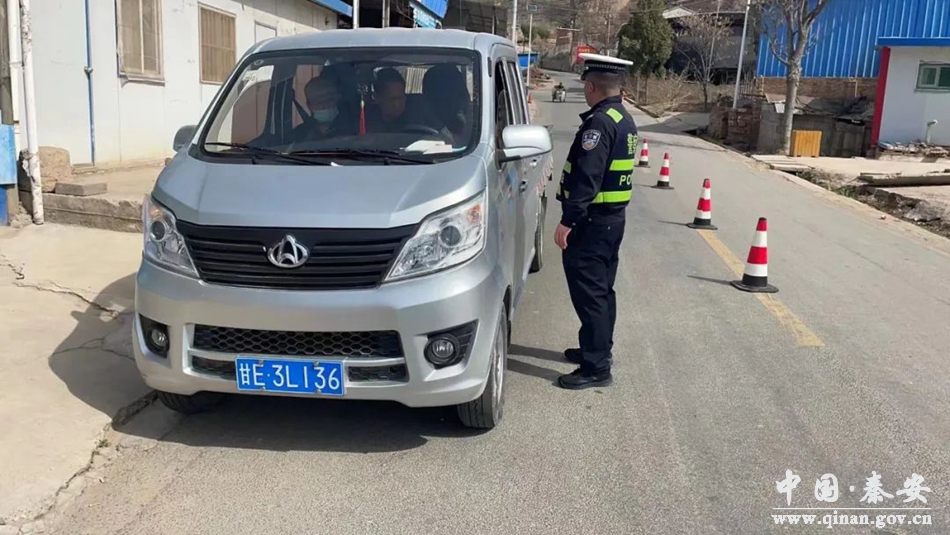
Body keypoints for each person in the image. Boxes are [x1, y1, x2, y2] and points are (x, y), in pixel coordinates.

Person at [553, 53, 638, 390]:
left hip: (592, 222)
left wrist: (568, 220)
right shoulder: (622, 117)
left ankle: (596, 367)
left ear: (590, 87)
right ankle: (597, 348)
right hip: (611, 221)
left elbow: (587, 177)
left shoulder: (598, 124)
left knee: (590, 294)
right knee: (602, 291)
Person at [292, 71, 356, 143]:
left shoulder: (355, 129)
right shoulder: (298, 136)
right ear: (309, 106)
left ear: (338, 99)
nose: (325, 106)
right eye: (319, 102)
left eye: (329, 100)